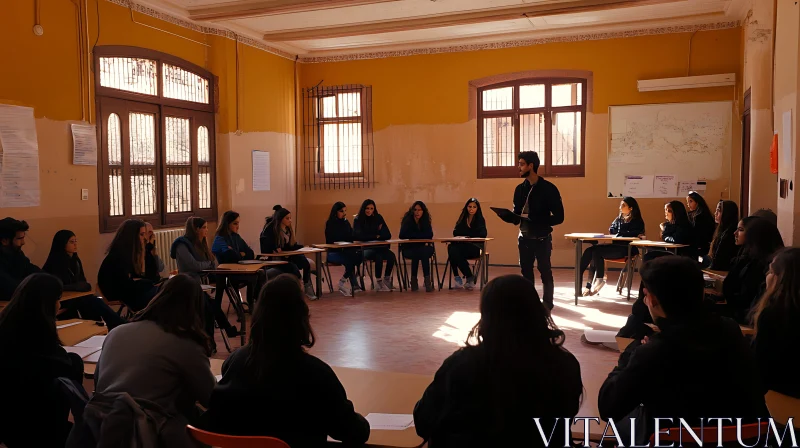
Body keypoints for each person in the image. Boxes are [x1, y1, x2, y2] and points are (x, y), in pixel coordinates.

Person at [598, 257, 767, 444]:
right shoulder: (730, 330)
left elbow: (607, 407)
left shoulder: (654, 352)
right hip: (744, 438)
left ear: (652, 300)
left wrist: (630, 353)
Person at [201, 274, 370, 446]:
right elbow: (353, 431)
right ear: (301, 318)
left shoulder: (234, 362)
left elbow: (215, 418)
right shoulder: (316, 375)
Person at [414, 275, 582, 447]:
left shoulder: (461, 364)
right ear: (537, 312)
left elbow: (423, 421)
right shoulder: (564, 364)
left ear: (486, 317)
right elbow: (566, 415)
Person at [85, 275, 215, 447]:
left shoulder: (117, 332)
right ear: (197, 308)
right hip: (148, 431)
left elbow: (98, 382)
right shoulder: (184, 343)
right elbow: (210, 398)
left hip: (99, 426)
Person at [0, 274, 86, 447]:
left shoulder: (7, 331)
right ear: (46, 304)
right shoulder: (45, 351)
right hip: (43, 434)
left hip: (8, 430)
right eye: (58, 299)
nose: (59, 305)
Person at [171, 217, 239, 344]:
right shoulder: (182, 244)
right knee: (209, 306)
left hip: (201, 283)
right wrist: (207, 264)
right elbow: (193, 265)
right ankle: (215, 337)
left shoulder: (202, 244)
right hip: (187, 283)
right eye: (204, 227)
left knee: (210, 305)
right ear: (196, 229)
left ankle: (212, 339)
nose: (207, 230)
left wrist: (207, 264)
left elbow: (214, 262)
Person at [41, 230, 126, 329]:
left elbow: (83, 283)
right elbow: (57, 286)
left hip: (77, 297)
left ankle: (103, 328)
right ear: (62, 244)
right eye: (71, 242)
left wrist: (78, 287)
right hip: (63, 301)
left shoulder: (76, 261)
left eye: (76, 241)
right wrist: (76, 287)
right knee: (93, 303)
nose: (75, 245)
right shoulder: (54, 263)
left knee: (92, 303)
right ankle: (117, 324)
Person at [511, 151, 564, 311]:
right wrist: (509, 216)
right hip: (524, 237)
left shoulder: (549, 189)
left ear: (531, 166)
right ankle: (529, 303)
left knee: (545, 270)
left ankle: (547, 303)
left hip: (542, 237)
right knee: (525, 271)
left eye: (521, 164)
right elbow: (517, 214)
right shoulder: (520, 189)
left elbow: (560, 217)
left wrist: (539, 219)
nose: (518, 168)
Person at [751, 248, 800, 398]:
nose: (767, 275)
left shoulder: (774, 315)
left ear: (782, 278)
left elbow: (760, 368)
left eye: (771, 272)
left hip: (778, 396)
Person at [722, 216, 784, 323]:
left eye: (741, 230)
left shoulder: (765, 265)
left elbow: (747, 300)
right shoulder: (749, 258)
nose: (735, 233)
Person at [579, 197, 644, 296]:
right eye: (620, 205)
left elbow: (635, 233)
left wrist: (622, 232)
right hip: (615, 246)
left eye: (623, 205)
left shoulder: (637, 221)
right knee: (590, 250)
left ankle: (600, 278)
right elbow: (612, 229)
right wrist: (621, 232)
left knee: (597, 252)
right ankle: (580, 276)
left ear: (631, 208)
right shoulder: (619, 218)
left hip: (626, 249)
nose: (620, 207)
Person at [97, 219, 159, 312]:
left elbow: (152, 275)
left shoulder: (131, 253)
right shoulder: (118, 256)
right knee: (158, 297)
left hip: (128, 290)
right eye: (142, 235)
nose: (145, 238)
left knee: (162, 291)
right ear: (132, 236)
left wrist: (148, 250)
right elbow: (124, 284)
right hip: (117, 292)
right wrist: (145, 282)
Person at [212, 211, 266, 309]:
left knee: (261, 273)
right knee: (253, 277)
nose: (238, 226)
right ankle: (251, 305)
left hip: (240, 269)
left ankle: (257, 301)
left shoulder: (236, 236)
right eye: (235, 223)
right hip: (229, 274)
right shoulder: (219, 238)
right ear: (227, 224)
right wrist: (239, 254)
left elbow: (250, 253)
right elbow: (230, 256)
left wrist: (238, 253)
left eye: (238, 223)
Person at [260, 205, 316, 300]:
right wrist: (274, 248)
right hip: (276, 259)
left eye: (290, 218)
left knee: (305, 262)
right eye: (287, 218)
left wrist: (302, 247)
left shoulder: (288, 229)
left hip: (287, 255)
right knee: (293, 268)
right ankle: (298, 290)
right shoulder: (271, 229)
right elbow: (266, 244)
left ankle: (307, 286)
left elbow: (290, 246)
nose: (290, 220)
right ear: (281, 219)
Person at [353, 199, 396, 292]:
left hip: (379, 247)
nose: (369, 210)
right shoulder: (358, 219)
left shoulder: (378, 217)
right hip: (365, 249)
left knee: (392, 256)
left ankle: (386, 279)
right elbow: (358, 236)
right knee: (378, 256)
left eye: (371, 208)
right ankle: (378, 281)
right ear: (363, 209)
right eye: (367, 208)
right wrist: (375, 234)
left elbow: (387, 234)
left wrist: (374, 235)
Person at [448, 198, 487, 290]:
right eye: (469, 206)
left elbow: (483, 234)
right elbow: (456, 232)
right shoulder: (462, 218)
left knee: (453, 250)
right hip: (462, 247)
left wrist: (467, 234)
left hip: (475, 248)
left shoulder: (480, 219)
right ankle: (463, 277)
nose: (471, 209)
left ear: (477, 208)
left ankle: (463, 277)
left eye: (474, 207)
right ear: (466, 207)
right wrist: (467, 234)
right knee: (451, 248)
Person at [325, 202, 363, 296]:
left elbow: (351, 236)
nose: (344, 213)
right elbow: (330, 239)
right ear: (335, 212)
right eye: (341, 211)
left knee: (358, 256)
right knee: (350, 260)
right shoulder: (330, 223)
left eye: (345, 211)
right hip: (334, 252)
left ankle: (347, 281)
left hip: (346, 250)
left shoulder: (345, 222)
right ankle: (344, 283)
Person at [0, 217, 39, 301]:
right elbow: (13, 289)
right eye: (19, 239)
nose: (23, 242)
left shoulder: (18, 255)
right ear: (4, 241)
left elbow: (33, 271)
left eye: (23, 238)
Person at [399, 201, 435, 292]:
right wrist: (420, 235)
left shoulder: (426, 221)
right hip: (409, 249)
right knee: (420, 252)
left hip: (423, 249)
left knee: (422, 252)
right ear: (412, 211)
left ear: (423, 211)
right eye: (415, 210)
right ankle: (426, 283)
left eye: (419, 210)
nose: (417, 212)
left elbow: (429, 235)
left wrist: (414, 235)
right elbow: (402, 235)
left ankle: (417, 281)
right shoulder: (407, 221)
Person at [704, 200, 739, 271]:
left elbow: (718, 261)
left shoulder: (729, 233)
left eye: (718, 211)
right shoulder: (721, 229)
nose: (715, 213)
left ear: (727, 213)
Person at [686, 191, 716, 257]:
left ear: (697, 202)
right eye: (687, 202)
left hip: (702, 247)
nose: (688, 204)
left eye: (691, 201)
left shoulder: (701, 216)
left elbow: (697, 235)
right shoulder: (692, 214)